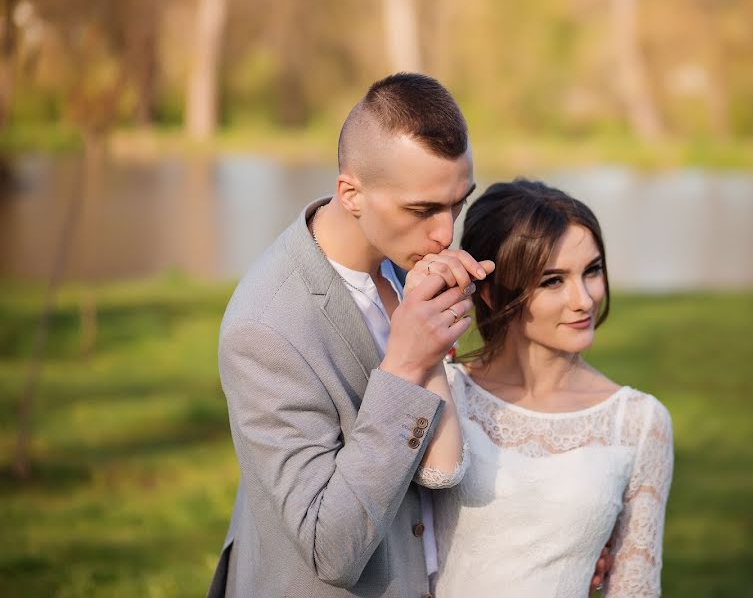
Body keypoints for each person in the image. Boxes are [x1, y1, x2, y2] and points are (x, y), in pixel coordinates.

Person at [206, 74, 611, 597]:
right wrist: (402, 366)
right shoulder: (264, 330)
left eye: (457, 204)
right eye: (422, 210)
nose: (445, 233)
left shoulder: (409, 263)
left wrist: (561, 541)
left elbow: (439, 467)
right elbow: (329, 549)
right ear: (351, 192)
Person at [410, 180, 674, 597]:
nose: (584, 299)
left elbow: (635, 588)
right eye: (553, 280)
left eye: (592, 270)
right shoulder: (443, 390)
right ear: (493, 294)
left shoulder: (639, 423)